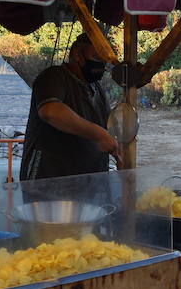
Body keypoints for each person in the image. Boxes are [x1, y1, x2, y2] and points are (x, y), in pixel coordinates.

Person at [17, 34, 116, 180]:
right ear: (77, 54)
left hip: (89, 180)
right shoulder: (54, 76)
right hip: (50, 179)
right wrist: (99, 134)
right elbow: (50, 111)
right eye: (97, 57)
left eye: (104, 60)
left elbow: (109, 125)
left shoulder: (96, 87)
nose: (101, 64)